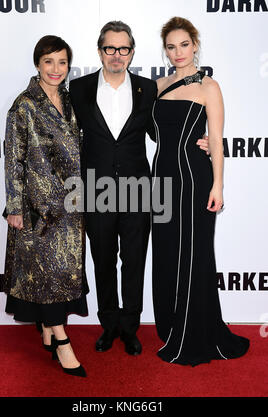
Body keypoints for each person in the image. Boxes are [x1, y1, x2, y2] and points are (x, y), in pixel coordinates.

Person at [70, 21, 209, 356]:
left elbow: (164, 130)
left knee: (134, 261)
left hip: (138, 188)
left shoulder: (148, 89)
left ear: (132, 52)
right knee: (103, 261)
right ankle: (110, 325)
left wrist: (200, 141)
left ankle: (130, 327)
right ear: (100, 50)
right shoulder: (79, 89)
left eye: (124, 49)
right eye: (110, 48)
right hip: (96, 188)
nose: (117, 55)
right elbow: (65, 136)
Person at [151, 17, 249, 366]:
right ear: (166, 49)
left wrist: (218, 184)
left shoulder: (210, 86)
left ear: (195, 44)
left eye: (184, 44)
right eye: (171, 46)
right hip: (160, 180)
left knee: (194, 254)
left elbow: (217, 141)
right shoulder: (157, 85)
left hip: (194, 179)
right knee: (165, 252)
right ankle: (170, 323)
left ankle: (194, 332)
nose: (178, 52)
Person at [3, 35, 88, 377]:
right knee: (48, 275)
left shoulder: (70, 100)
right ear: (37, 63)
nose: (56, 69)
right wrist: (14, 207)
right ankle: (62, 342)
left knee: (60, 276)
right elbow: (13, 160)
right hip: (38, 208)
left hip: (71, 204)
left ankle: (49, 331)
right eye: (49, 61)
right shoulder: (24, 104)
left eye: (62, 62)